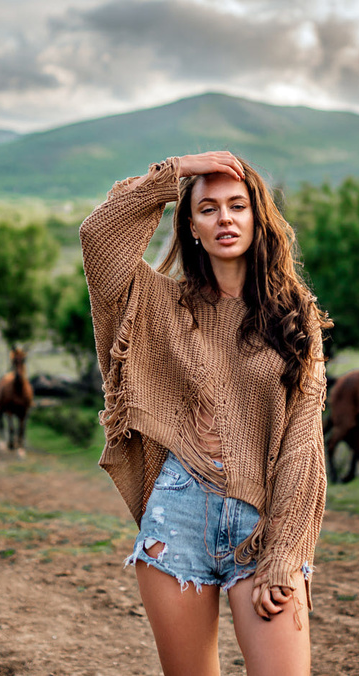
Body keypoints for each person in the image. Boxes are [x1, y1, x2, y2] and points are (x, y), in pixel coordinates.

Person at [80, 151, 330, 676]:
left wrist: (284, 549)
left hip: (262, 524)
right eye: (208, 208)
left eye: (237, 206)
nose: (225, 219)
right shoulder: (159, 304)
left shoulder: (293, 314)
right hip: (177, 519)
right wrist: (178, 171)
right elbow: (99, 237)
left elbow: (302, 444)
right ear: (190, 225)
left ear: (258, 218)